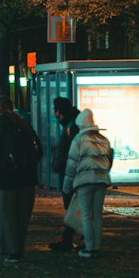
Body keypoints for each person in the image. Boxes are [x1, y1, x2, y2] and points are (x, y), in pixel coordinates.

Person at [0, 95, 43, 263]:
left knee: (7, 216)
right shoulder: (24, 125)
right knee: (22, 216)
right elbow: (38, 150)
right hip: (27, 178)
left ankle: (12, 251)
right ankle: (20, 249)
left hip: (7, 178)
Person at [62, 108, 113, 260]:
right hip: (101, 181)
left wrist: (67, 186)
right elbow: (108, 161)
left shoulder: (78, 140)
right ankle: (96, 247)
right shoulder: (104, 140)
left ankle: (89, 248)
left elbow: (72, 165)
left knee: (87, 215)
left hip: (84, 182)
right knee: (97, 215)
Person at [48, 96, 80, 251]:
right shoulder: (72, 123)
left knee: (74, 208)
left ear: (59, 111)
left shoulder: (71, 126)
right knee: (74, 208)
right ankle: (69, 238)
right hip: (70, 173)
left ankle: (74, 240)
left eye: (55, 110)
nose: (54, 114)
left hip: (71, 174)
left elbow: (73, 153)